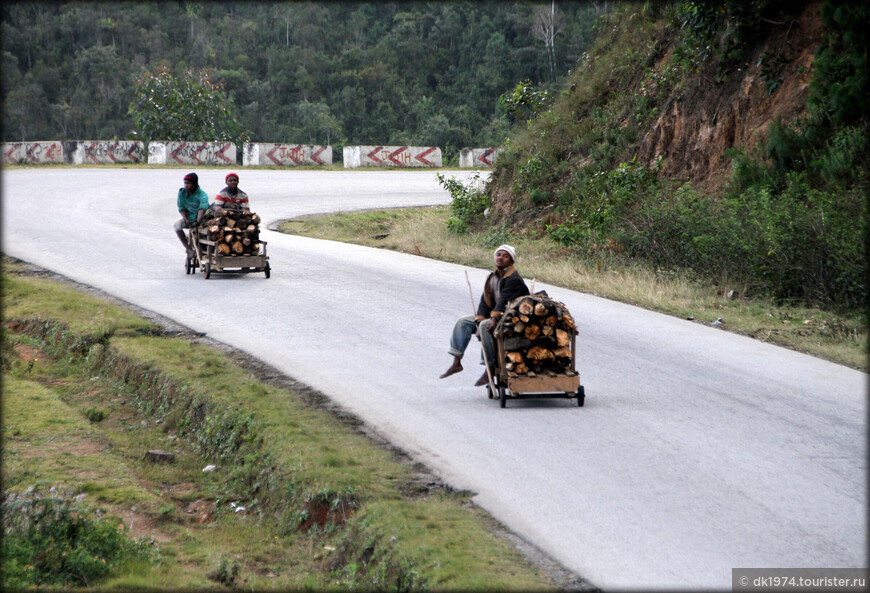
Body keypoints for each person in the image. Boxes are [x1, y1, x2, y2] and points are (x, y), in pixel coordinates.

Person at [440, 244, 530, 386]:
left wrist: (492, 319)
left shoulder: (514, 279)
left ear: (511, 261)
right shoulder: (492, 277)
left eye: (505, 256)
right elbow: (485, 301)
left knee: (485, 326)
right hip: (497, 315)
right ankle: (457, 361)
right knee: (463, 322)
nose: (500, 258)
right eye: (498, 255)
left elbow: (503, 301)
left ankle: (490, 367)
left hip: (513, 317)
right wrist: (478, 321)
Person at [174, 172, 209, 256]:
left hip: (202, 218)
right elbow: (181, 208)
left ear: (194, 184)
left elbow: (202, 209)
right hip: (189, 217)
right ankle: (188, 249)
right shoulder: (182, 192)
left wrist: (198, 221)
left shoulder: (202, 195)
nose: (186, 185)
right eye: (185, 183)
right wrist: (186, 219)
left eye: (188, 183)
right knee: (176, 224)